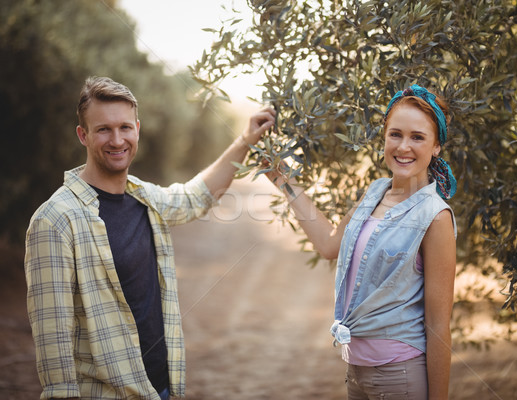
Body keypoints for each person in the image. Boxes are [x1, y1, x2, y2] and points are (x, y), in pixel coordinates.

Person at [24, 76, 275, 400]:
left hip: (161, 390)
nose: (117, 140)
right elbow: (53, 345)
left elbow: (194, 197)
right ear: (82, 135)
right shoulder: (55, 221)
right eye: (103, 129)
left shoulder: (142, 197)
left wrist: (244, 139)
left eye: (125, 128)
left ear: (138, 129)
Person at [266, 84, 457, 399]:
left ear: (436, 146)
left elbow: (438, 326)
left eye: (418, 137)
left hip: (400, 376)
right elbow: (329, 245)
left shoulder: (435, 218)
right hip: (355, 373)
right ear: (384, 136)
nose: (404, 146)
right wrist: (283, 181)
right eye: (395, 134)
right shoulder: (375, 192)